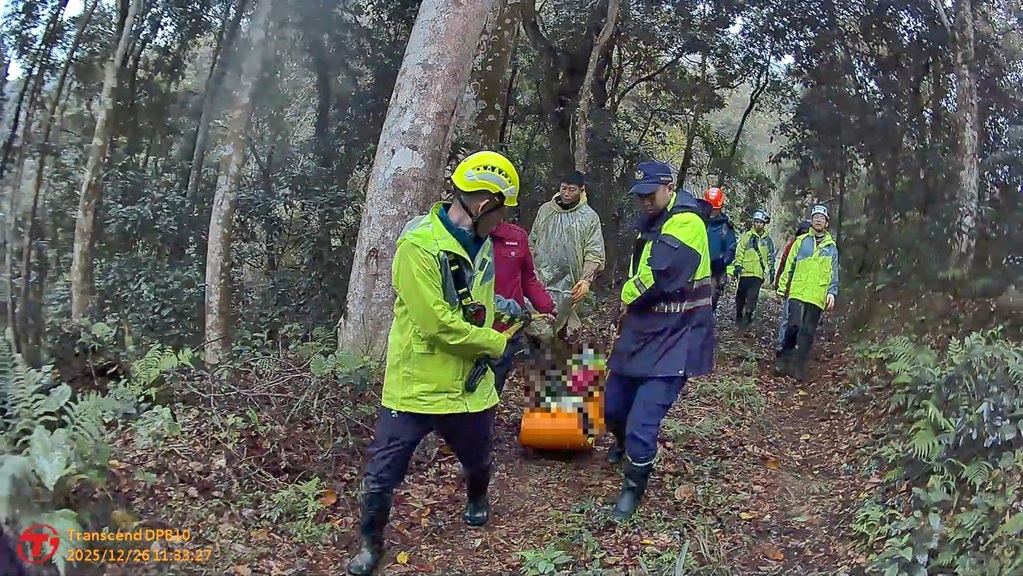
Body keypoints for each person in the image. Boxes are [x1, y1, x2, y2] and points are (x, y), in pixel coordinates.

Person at [346, 151, 525, 576]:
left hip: (467, 383)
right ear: (484, 204)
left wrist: (511, 312)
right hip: (417, 383)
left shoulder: (480, 244)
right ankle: (371, 544)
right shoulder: (419, 246)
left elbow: (472, 302)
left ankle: (477, 499)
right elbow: (436, 324)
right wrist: (495, 343)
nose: (504, 222)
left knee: (478, 456)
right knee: (382, 473)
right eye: (501, 211)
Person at [604, 161, 715, 520]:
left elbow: (658, 276)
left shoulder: (687, 222)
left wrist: (623, 295)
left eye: (651, 193)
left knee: (643, 421)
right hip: (640, 333)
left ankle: (633, 487)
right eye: (640, 195)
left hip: (677, 336)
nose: (645, 200)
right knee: (613, 408)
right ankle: (623, 445)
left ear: (669, 187)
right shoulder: (651, 223)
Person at [529, 170, 606, 339]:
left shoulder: (589, 217)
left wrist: (585, 279)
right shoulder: (545, 211)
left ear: (581, 190)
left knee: (561, 329)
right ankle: (534, 360)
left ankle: (558, 360)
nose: (566, 193)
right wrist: (529, 270)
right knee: (534, 324)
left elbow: (594, 252)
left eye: (572, 189)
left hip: (570, 286)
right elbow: (532, 241)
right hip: (539, 279)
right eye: (563, 188)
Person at [490, 219, 556, 394]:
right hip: (471, 331)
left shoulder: (516, 237)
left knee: (493, 389)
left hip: (507, 330)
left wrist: (546, 305)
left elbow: (528, 278)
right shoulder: (465, 236)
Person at [775, 205, 839, 382]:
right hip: (797, 291)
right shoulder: (801, 241)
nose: (818, 219)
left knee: (808, 332)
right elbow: (789, 266)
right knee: (793, 325)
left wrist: (832, 293)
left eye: (822, 217)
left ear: (826, 223)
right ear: (812, 220)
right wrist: (782, 287)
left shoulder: (831, 248)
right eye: (816, 216)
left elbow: (834, 273)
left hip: (816, 295)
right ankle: (784, 358)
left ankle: (798, 366)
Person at [732, 210, 776, 329]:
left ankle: (748, 315)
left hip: (758, 274)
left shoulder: (768, 241)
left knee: (753, 296)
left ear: (764, 224)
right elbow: (740, 251)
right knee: (740, 296)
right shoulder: (747, 237)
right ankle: (738, 315)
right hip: (745, 272)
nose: (758, 224)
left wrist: (771, 271)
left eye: (760, 222)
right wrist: (737, 266)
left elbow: (771, 256)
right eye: (756, 222)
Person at [773, 219, 811, 354]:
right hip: (791, 288)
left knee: (801, 322)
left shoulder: (814, 248)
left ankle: (795, 346)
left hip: (807, 290)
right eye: (802, 232)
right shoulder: (792, 246)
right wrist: (779, 284)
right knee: (786, 319)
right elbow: (784, 265)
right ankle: (781, 344)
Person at [703, 187, 737, 312]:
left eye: (714, 209)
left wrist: (722, 262)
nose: (711, 211)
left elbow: (731, 249)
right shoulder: (699, 221)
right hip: (695, 268)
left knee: (709, 304)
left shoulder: (726, 227)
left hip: (715, 272)